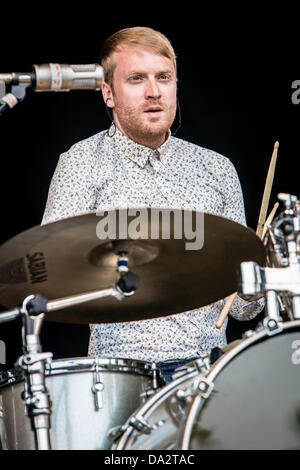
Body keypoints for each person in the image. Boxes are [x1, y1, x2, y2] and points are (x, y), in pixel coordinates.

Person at [41, 26, 264, 383]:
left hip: (206, 373)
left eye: (164, 77)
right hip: (122, 375)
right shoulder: (81, 162)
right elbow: (49, 274)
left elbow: (238, 307)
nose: (153, 92)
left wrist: (261, 276)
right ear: (108, 94)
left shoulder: (218, 169)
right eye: (136, 79)